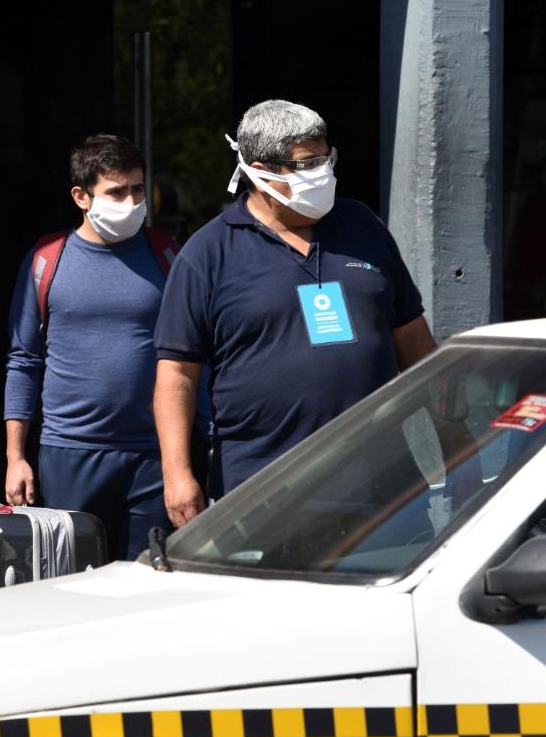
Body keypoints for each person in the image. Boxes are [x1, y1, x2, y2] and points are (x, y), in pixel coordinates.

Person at [153, 99, 438, 527]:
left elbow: (414, 341)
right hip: (262, 490)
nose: (322, 172)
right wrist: (177, 475)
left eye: (326, 158)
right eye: (307, 164)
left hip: (381, 481)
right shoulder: (208, 254)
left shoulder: (363, 227)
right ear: (257, 169)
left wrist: (454, 429)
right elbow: (176, 376)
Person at [4, 134, 193, 561]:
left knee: (149, 581)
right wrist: (16, 456)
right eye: (116, 191)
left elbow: (191, 358)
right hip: (71, 453)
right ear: (81, 197)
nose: (130, 201)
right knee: (73, 585)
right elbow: (24, 360)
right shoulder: (46, 260)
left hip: (152, 453)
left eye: (138, 189)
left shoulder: (166, 254)